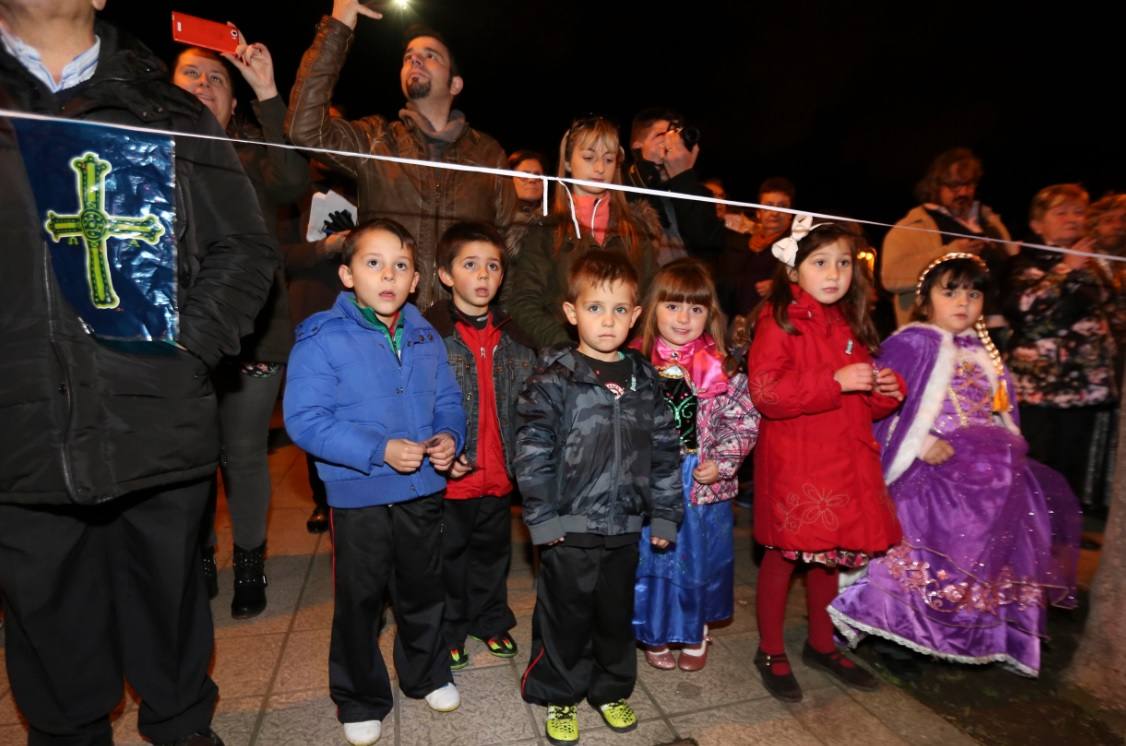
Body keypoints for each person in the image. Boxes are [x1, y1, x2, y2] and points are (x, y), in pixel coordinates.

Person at [0, 1, 277, 744]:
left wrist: (185, 352)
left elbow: (244, 247)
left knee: (170, 610)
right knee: (49, 629)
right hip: (20, 426)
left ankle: (182, 727)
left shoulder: (167, 110)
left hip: (153, 414)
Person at [830, 253, 1082, 676]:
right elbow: (881, 405)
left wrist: (1007, 444)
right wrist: (920, 441)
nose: (963, 302)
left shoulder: (985, 352)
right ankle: (899, 635)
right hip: (931, 475)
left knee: (978, 557)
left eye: (973, 293)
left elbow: (1001, 410)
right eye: (950, 292)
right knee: (923, 548)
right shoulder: (912, 343)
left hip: (990, 481)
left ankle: (969, 634)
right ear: (925, 299)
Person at [283, 219, 466, 746]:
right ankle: (360, 697)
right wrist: (378, 449)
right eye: (373, 263)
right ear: (347, 275)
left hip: (422, 490)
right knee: (360, 600)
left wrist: (449, 436)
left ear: (415, 281)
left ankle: (426, 672)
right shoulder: (321, 338)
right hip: (358, 497)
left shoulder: (426, 335)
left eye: (401, 265)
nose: (388, 275)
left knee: (423, 589)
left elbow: (448, 400)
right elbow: (305, 420)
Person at [516, 250, 682, 745]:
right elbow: (531, 454)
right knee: (565, 614)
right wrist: (542, 519)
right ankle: (560, 693)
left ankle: (610, 688)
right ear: (572, 313)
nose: (607, 321)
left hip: (625, 526)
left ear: (635, 316)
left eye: (619, 309)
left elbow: (665, 451)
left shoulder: (646, 380)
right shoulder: (553, 378)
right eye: (595, 308)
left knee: (613, 615)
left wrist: (666, 515)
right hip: (569, 526)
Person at [172, 39, 309, 618]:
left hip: (254, 330)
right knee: (189, 455)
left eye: (216, 79)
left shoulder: (253, 158)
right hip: (175, 332)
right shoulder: (145, 151)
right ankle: (200, 557)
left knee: (245, 453)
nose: (204, 84)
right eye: (191, 73)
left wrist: (267, 91)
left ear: (233, 104)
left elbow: (294, 179)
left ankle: (250, 561)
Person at [747, 218, 904, 703]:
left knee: (829, 555)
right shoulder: (780, 320)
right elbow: (767, 393)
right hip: (797, 460)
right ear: (795, 271)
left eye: (843, 263)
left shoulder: (847, 322)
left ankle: (820, 642)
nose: (834, 273)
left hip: (843, 459)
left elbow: (858, 402)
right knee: (784, 554)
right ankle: (770, 649)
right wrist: (836, 381)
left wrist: (884, 392)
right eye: (821, 262)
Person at [286, 0, 515, 312]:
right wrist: (337, 28)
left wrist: (499, 322)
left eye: (430, 55)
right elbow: (304, 129)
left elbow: (509, 247)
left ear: (455, 84)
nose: (415, 60)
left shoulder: (489, 154)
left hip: (462, 328)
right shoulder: (376, 140)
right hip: (387, 323)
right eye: (409, 57)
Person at [630, 259, 759, 672]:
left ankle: (696, 630)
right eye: (672, 306)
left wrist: (722, 462)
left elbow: (743, 420)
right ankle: (654, 630)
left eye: (696, 308)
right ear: (652, 309)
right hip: (652, 484)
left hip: (703, 485)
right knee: (654, 558)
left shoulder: (725, 367)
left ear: (710, 314)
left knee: (699, 559)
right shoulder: (634, 364)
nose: (684, 318)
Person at [424, 222, 536, 671]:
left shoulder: (515, 338)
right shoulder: (429, 335)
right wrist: (437, 448)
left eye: (492, 265)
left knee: (493, 554)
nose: (483, 274)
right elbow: (417, 404)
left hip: (499, 473)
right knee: (449, 557)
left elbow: (530, 405)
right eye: (470, 265)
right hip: (452, 476)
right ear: (445, 275)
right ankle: (450, 627)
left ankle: (489, 619)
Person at [1004, 184, 1118, 508]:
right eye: (1061, 212)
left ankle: (1066, 529)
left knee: (1073, 470)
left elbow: (1110, 308)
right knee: (1039, 467)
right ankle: (1035, 529)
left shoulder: (1096, 263)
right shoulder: (1024, 261)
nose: (1072, 219)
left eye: (1079, 212)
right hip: (1041, 390)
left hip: (1085, 388)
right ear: (1038, 224)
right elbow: (1024, 310)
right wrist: (1067, 268)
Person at [505, 116, 661, 350]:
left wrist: (635, 351)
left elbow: (652, 300)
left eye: (608, 159)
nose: (599, 168)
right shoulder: (545, 229)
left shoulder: (637, 231)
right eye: (589, 157)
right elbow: (523, 302)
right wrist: (567, 349)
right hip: (565, 357)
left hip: (625, 359)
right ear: (568, 162)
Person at [881, 148, 1015, 335]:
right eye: (955, 186)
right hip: (942, 336)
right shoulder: (912, 227)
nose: (963, 192)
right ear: (936, 186)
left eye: (969, 185)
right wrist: (949, 253)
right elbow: (890, 277)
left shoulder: (991, 223)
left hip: (1002, 330)